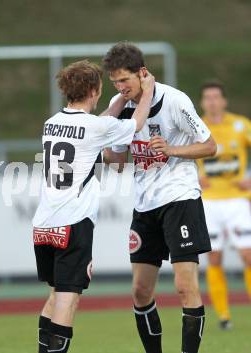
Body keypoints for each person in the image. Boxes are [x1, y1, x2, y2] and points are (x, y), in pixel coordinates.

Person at [32, 59, 155, 353]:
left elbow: (94, 127)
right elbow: (135, 123)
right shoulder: (95, 127)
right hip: (73, 223)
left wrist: (117, 102)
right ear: (93, 89)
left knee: (53, 296)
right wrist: (146, 92)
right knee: (67, 299)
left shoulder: (52, 123)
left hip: (43, 224)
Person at [102, 42, 217, 353]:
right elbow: (116, 162)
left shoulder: (175, 101)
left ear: (142, 73)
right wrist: (109, 150)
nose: (120, 87)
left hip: (180, 199)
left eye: (125, 80)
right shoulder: (119, 103)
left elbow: (210, 146)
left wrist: (172, 149)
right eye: (115, 82)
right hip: (144, 205)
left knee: (184, 287)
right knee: (140, 291)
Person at [197, 80, 251, 330]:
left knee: (247, 255)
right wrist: (192, 175)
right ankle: (224, 316)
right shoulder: (195, 127)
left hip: (238, 201)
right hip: (208, 202)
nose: (212, 101)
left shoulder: (240, 125)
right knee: (214, 258)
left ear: (224, 100)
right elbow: (177, 156)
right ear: (202, 102)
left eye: (216, 96)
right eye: (208, 97)